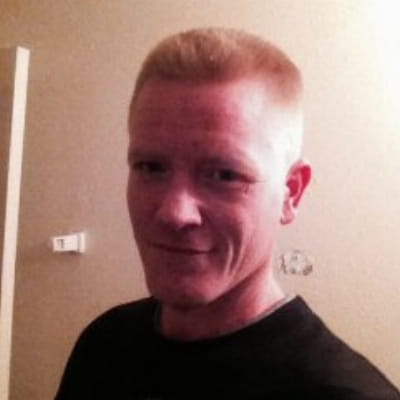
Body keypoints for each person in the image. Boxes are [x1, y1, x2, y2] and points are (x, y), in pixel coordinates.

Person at [55, 28, 400, 400]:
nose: (174, 213)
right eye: (151, 167)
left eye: (224, 175)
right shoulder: (104, 344)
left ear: (291, 193)